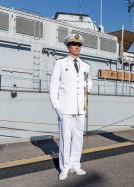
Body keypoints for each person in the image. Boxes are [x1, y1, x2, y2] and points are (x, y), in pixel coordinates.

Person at [49, 33, 92, 180]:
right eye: (74, 44)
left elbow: (89, 81)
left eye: (79, 45)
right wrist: (56, 106)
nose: (77, 47)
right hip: (66, 108)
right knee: (65, 139)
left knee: (78, 138)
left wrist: (88, 87)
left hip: (81, 107)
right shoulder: (60, 64)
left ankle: (76, 165)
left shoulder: (86, 65)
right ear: (68, 47)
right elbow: (54, 85)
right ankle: (65, 167)